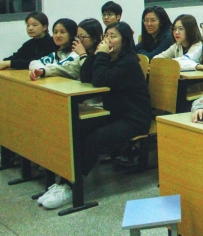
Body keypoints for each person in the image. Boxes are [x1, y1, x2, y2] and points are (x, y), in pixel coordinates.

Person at [41, 22, 151, 209]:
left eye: (113, 36)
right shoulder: (109, 58)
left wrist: (100, 55)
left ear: (124, 41)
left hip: (134, 118)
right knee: (78, 128)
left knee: (96, 139)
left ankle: (72, 188)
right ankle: (64, 181)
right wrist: (92, 55)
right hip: (114, 114)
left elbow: (100, 80)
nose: (108, 40)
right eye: (106, 36)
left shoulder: (128, 62)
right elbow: (86, 77)